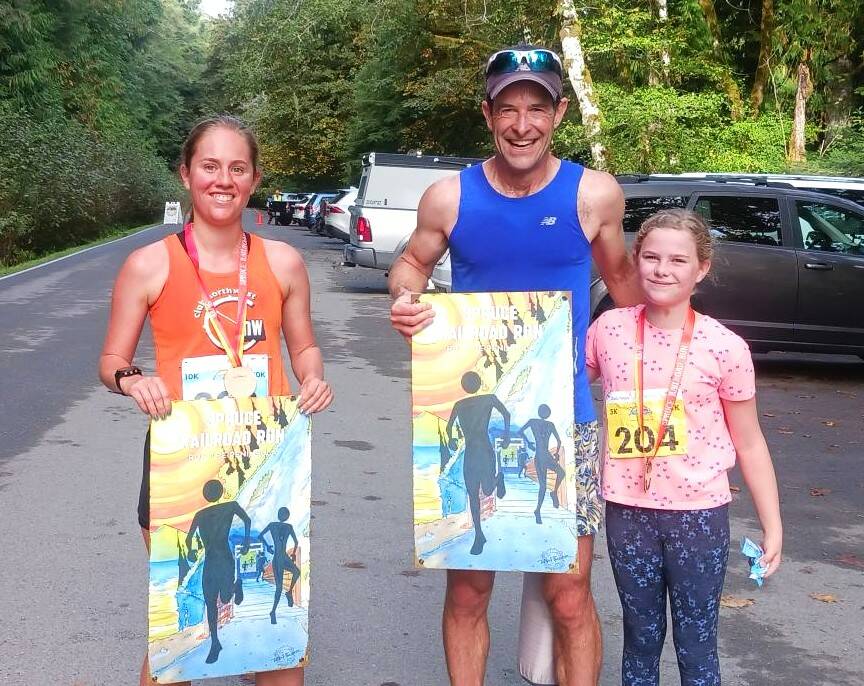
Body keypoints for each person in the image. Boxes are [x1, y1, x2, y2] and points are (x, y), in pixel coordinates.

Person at [388, 44, 641, 686]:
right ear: (488, 114)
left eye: (536, 107)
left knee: (570, 592)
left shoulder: (594, 194)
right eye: (508, 109)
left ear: (558, 112)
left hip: (569, 416)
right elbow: (411, 265)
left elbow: (625, 291)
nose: (522, 124)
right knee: (470, 590)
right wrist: (404, 300)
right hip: (469, 412)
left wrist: (658, 361)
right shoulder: (450, 197)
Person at [99, 114, 332, 686]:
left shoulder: (282, 262)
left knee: (276, 642)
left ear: (253, 179)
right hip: (182, 457)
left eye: (237, 167)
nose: (222, 180)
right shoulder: (149, 264)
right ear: (186, 174)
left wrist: (313, 379)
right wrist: (134, 379)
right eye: (209, 166)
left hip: (263, 456)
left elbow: (303, 348)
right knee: (177, 632)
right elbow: (111, 361)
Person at [585, 209, 783, 685]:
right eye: (650, 257)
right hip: (627, 509)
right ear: (636, 261)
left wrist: (772, 525)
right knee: (640, 640)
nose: (661, 269)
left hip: (698, 515)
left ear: (702, 269)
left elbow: (750, 442)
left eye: (677, 260)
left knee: (696, 647)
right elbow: (552, 379)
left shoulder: (724, 347)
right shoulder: (609, 329)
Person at [445, 371, 511, 555]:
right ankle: (478, 535)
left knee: (488, 490)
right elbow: (449, 427)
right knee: (472, 493)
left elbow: (507, 414)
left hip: (484, 451)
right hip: (471, 452)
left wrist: (506, 436)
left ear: (464, 386)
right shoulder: (462, 404)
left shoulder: (487, 399)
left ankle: (499, 479)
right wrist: (451, 438)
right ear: (479, 382)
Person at [186, 479, 251, 664]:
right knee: (210, 602)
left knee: (224, 598)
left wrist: (190, 551)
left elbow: (188, 540)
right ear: (220, 492)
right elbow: (247, 520)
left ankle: (236, 585)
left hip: (224, 560)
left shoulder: (228, 507)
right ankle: (215, 643)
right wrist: (246, 541)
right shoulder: (208, 512)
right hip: (211, 562)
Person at [518, 404, 564, 524]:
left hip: (541, 456)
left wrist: (529, 443)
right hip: (546, 456)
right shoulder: (550, 424)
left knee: (544, 485)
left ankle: (550, 496)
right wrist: (557, 454)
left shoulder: (533, 422)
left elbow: (520, 431)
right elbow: (559, 441)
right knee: (561, 473)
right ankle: (538, 509)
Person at [260, 507, 302, 622]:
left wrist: (268, 547)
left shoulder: (272, 525)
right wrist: (293, 554)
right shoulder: (289, 527)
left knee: (278, 588)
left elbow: (260, 536)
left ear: (278, 515)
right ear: (287, 516)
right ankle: (276, 607)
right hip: (285, 558)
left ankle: (274, 610)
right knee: (297, 572)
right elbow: (296, 542)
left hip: (278, 559)